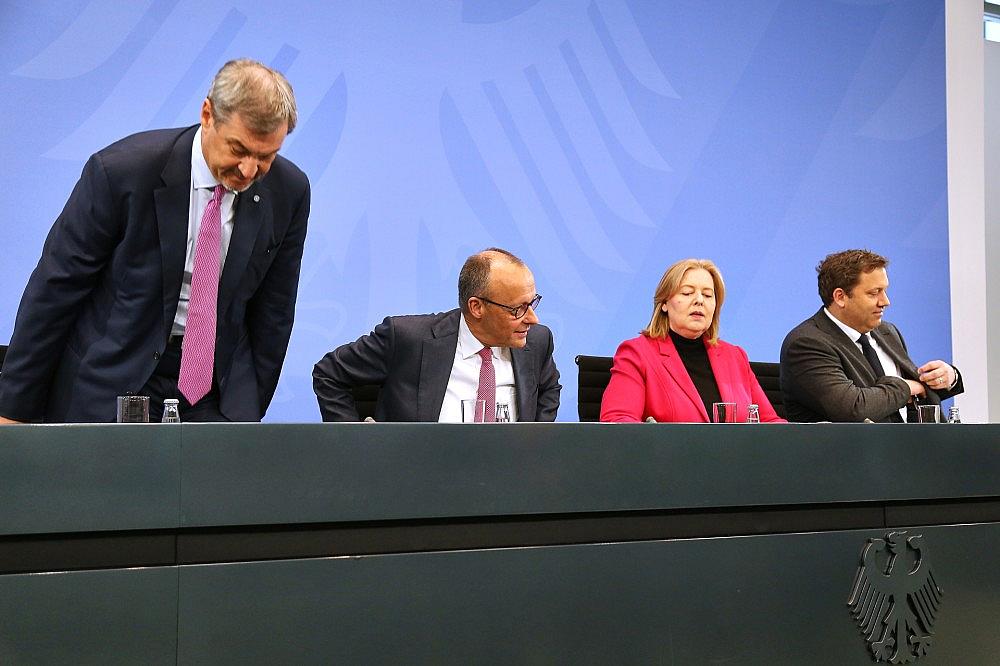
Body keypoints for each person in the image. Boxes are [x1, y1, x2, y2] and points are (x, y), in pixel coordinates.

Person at [0, 59, 310, 423]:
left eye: (265, 156)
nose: (248, 170)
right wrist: (12, 408)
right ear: (207, 114)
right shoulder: (121, 172)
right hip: (115, 378)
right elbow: (56, 290)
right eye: (238, 150)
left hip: (214, 394)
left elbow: (274, 313)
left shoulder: (290, 192)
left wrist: (249, 405)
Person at [313, 248, 561, 422]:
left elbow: (548, 387)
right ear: (477, 307)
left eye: (533, 303)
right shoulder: (406, 338)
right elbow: (329, 373)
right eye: (517, 309)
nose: (532, 319)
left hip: (506, 482)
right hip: (419, 482)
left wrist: (535, 447)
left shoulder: (537, 342)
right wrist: (354, 443)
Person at [780, 249, 963, 422]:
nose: (885, 301)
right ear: (840, 297)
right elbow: (853, 408)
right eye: (874, 293)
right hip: (852, 453)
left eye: (884, 290)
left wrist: (948, 378)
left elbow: (920, 390)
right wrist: (905, 388)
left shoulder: (887, 331)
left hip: (915, 446)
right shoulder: (807, 343)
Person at [600, 258, 784, 423]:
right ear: (664, 303)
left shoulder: (735, 357)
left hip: (735, 459)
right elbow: (617, 421)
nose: (699, 301)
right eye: (687, 293)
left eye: (707, 295)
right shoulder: (637, 353)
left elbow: (770, 422)